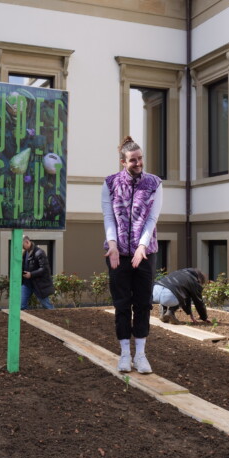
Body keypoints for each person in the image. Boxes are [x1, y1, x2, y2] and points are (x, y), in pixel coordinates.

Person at [102, 136, 163, 374]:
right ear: (122, 161)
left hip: (145, 253)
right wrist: (112, 245)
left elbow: (152, 218)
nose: (138, 163)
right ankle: (125, 355)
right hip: (117, 253)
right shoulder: (110, 183)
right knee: (121, 304)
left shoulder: (155, 183)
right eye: (133, 160)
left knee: (143, 304)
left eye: (140, 158)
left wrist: (142, 246)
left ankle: (141, 355)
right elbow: (109, 217)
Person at [21, 236, 55, 310]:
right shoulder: (25, 253)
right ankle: (24, 321)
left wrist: (31, 274)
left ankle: (56, 319)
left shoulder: (39, 252)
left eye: (22, 245)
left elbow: (44, 269)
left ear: (27, 242)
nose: (22, 247)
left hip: (38, 285)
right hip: (27, 284)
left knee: (47, 306)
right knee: (22, 306)